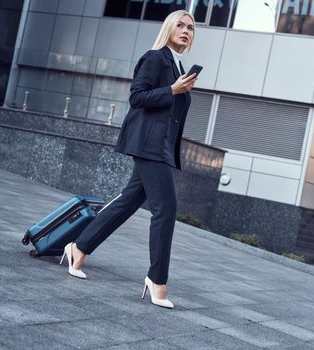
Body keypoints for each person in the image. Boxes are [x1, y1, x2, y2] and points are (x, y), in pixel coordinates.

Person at [59, 10, 197, 309]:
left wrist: (178, 89)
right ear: (169, 28)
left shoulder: (177, 65)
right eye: (181, 25)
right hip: (148, 145)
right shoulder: (155, 57)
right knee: (166, 209)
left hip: (160, 147)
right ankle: (157, 280)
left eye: (191, 28)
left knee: (128, 202)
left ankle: (78, 248)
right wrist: (172, 90)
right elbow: (137, 97)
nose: (186, 30)